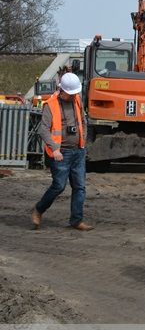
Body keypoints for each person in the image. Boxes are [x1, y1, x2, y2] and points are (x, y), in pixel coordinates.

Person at [31, 73, 93, 231]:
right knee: (58, 186)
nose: (73, 96)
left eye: (75, 93)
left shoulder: (77, 100)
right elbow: (43, 130)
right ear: (62, 90)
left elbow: (83, 122)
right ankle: (39, 210)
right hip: (60, 154)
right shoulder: (50, 105)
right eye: (71, 94)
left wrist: (83, 141)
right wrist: (54, 148)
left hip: (78, 151)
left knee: (79, 187)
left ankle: (76, 220)